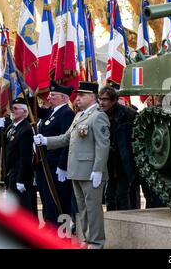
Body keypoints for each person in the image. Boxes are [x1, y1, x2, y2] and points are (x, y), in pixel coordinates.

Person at [34, 81, 110, 249]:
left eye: (82, 95)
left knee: (93, 209)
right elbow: (66, 138)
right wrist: (46, 140)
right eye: (78, 95)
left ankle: (97, 242)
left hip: (90, 171)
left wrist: (98, 170)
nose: (77, 99)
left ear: (92, 97)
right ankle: (87, 239)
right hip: (76, 170)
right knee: (82, 209)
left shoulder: (98, 116)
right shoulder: (79, 116)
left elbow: (102, 146)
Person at [35, 81, 75, 226]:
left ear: (64, 98)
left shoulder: (66, 114)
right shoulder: (52, 112)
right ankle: (50, 228)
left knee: (60, 200)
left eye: (53, 95)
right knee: (49, 200)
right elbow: (36, 111)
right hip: (46, 164)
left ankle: (62, 234)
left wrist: (62, 165)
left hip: (57, 165)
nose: (49, 97)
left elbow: (67, 141)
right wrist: (29, 92)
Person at [98, 85, 137, 211]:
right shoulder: (99, 115)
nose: (102, 103)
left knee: (123, 195)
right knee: (109, 196)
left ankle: (126, 224)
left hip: (125, 163)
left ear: (114, 101)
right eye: (100, 99)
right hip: (109, 163)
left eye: (105, 99)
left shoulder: (128, 114)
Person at [0, 98, 35, 214]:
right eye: (12, 108)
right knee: (14, 209)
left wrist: (21, 179)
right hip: (10, 173)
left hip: (19, 174)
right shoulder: (12, 127)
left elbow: (26, 157)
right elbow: (1, 145)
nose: (13, 111)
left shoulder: (25, 129)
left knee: (23, 208)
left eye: (16, 108)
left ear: (24, 112)